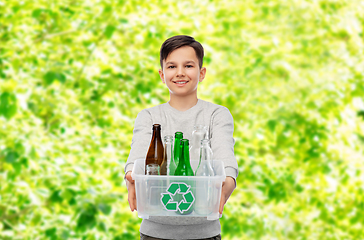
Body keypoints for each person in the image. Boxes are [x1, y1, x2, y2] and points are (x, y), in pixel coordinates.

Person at [124, 35, 238, 240]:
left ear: (201, 73)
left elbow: (224, 156)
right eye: (171, 66)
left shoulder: (217, 115)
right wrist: (131, 175)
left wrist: (227, 182)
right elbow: (138, 154)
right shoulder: (149, 116)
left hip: (205, 234)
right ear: (162, 74)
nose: (179, 73)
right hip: (154, 233)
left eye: (188, 65)